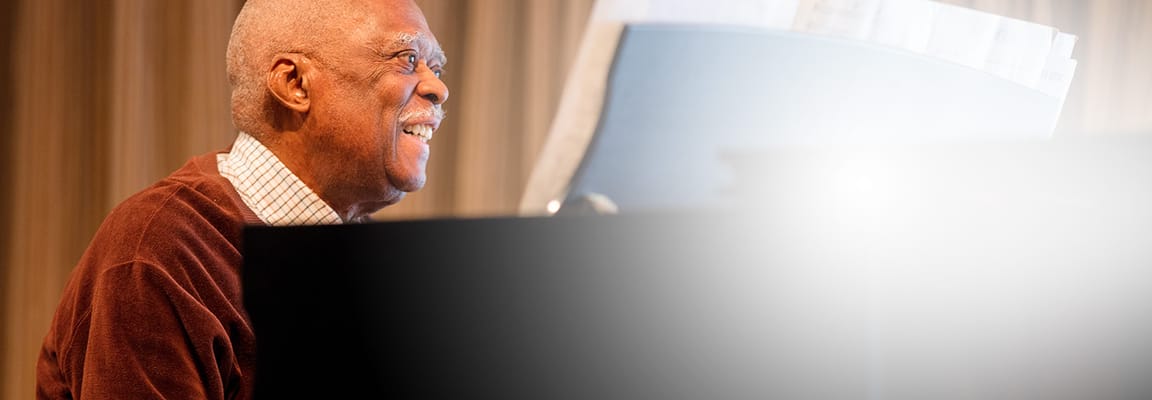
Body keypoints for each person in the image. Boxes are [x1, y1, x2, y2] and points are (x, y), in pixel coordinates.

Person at [36, 0, 448, 398]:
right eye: (407, 59)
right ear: (295, 84)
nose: (438, 88)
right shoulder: (160, 249)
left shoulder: (372, 260)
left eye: (436, 66)